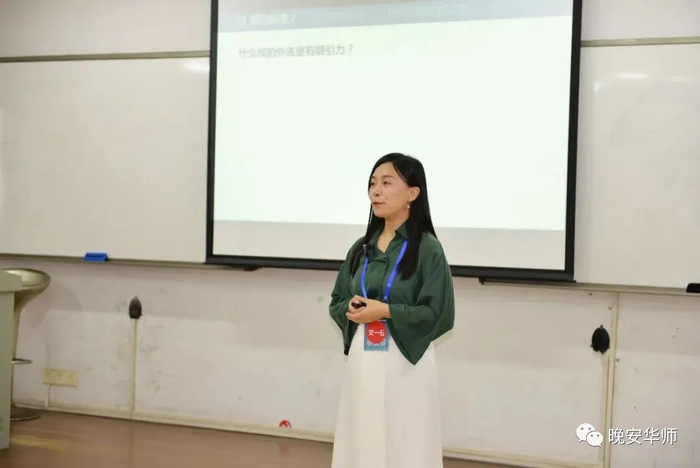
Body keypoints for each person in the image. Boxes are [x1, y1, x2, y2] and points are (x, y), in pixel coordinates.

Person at [328, 152, 455, 468]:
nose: (376, 191)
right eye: (373, 183)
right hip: (364, 354)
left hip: (407, 358)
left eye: (386, 183)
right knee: (362, 432)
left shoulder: (428, 248)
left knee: (405, 437)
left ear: (412, 193)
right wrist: (351, 307)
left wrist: (386, 311)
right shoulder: (362, 247)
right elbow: (337, 299)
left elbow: (438, 312)